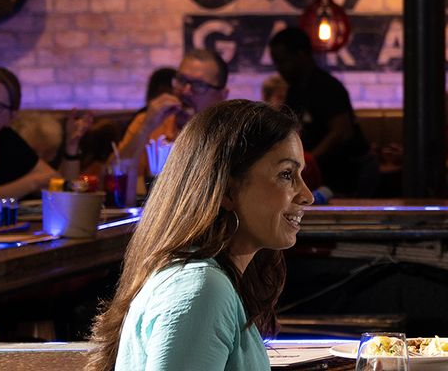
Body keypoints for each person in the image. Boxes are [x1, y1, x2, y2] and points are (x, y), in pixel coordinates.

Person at [83, 100, 314, 371]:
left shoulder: (207, 281)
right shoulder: (201, 289)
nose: (307, 196)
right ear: (227, 191)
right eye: (286, 174)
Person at [268, 27, 373, 195]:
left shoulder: (326, 86)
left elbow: (341, 131)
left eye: (283, 61)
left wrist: (307, 161)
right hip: (323, 172)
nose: (279, 68)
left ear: (301, 55)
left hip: (349, 171)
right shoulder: (295, 90)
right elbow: (291, 130)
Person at [120, 49, 230, 172]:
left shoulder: (232, 134)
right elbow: (114, 173)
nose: (185, 91)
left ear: (222, 95)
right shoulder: (149, 122)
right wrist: (145, 128)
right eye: (181, 80)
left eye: (199, 85)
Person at [0, 67, 55, 199]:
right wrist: (32, 183)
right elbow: (40, 180)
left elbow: (52, 180)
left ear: (11, 117)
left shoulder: (6, 138)